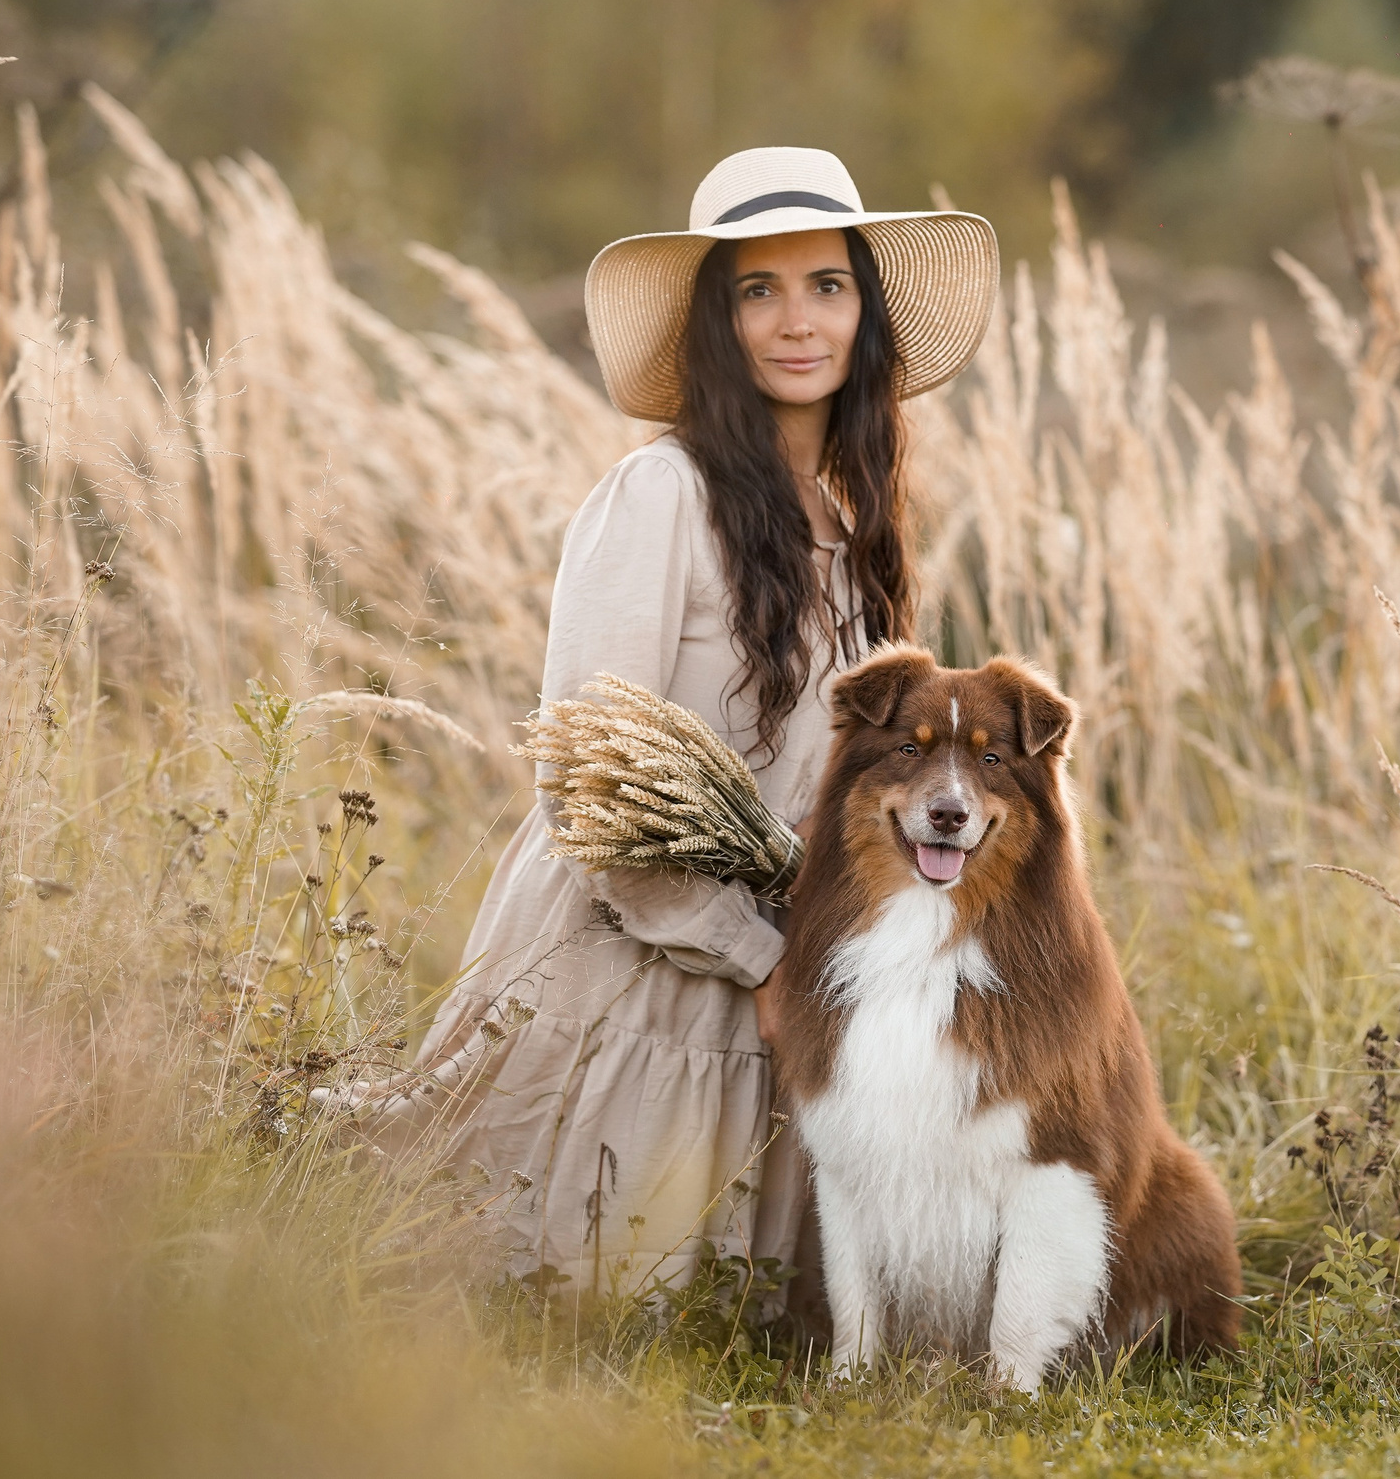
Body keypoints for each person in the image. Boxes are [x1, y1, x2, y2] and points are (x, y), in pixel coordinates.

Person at [371, 147, 996, 1299]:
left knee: (753, 1328)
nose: (795, 321)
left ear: (866, 310)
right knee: (570, 1305)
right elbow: (591, 777)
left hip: (785, 971)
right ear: (719, 323)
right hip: (641, 959)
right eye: (756, 290)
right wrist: (757, 959)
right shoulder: (660, 495)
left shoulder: (855, 532)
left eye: (826, 285)